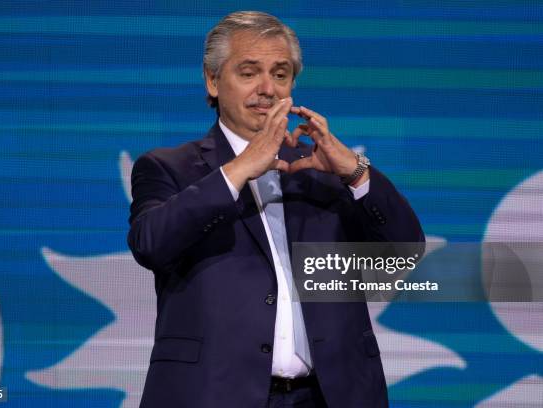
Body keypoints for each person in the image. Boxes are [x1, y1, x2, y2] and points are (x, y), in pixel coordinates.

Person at [128, 11, 424, 408]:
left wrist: (355, 172)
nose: (267, 88)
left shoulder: (319, 172)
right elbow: (151, 243)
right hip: (214, 395)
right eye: (249, 73)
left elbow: (400, 257)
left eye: (280, 74)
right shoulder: (170, 168)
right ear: (213, 81)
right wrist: (237, 171)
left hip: (330, 396)